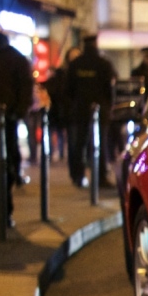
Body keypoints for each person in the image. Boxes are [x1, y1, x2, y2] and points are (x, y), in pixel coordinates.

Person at [0, 9, 34, 228]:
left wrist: (17, 113)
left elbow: (25, 88)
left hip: (5, 124)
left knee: (6, 171)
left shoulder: (13, 57)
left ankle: (5, 214)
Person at [65, 35, 116, 189]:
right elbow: (110, 89)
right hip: (100, 110)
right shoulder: (104, 64)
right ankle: (100, 178)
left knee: (79, 144)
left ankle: (78, 176)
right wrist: (107, 106)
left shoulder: (75, 64)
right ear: (95, 44)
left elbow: (69, 89)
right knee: (100, 145)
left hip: (80, 110)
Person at [44, 46, 79, 162]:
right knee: (70, 139)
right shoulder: (62, 74)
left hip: (80, 110)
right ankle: (71, 161)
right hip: (66, 111)